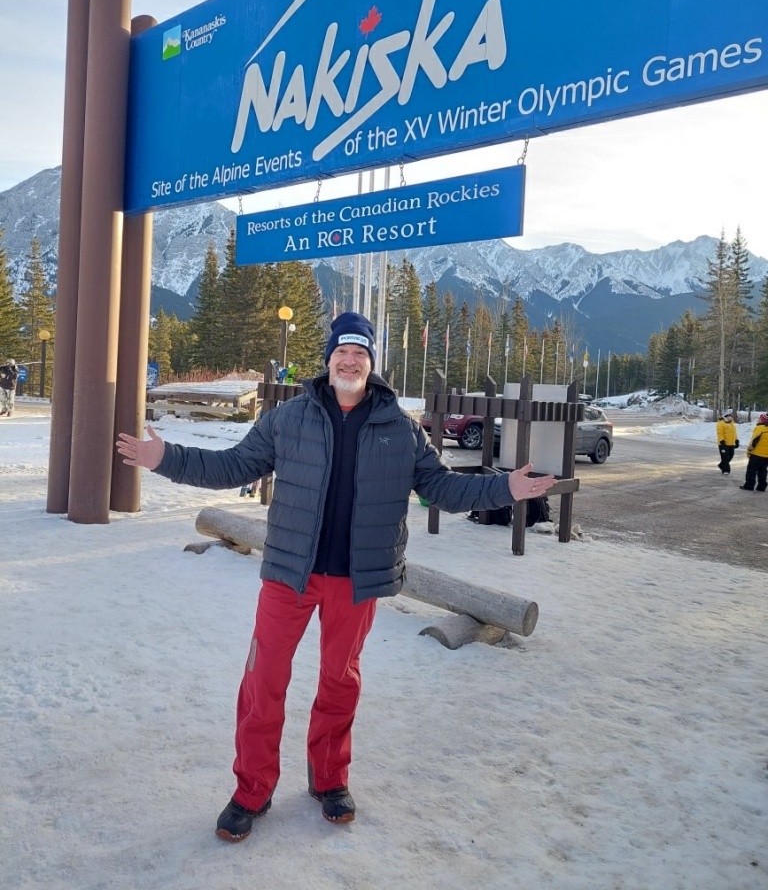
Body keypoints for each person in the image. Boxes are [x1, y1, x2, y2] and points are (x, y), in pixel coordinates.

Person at [116, 311, 556, 843]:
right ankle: (251, 789)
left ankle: (330, 780)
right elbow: (233, 468)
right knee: (263, 680)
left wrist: (503, 489)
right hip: (289, 574)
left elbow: (441, 488)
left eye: (360, 354)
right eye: (342, 352)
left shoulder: (400, 429)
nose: (350, 361)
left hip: (357, 579)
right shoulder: (289, 418)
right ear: (328, 360)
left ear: (372, 364)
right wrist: (166, 457)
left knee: (339, 680)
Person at [739, 413, 768, 492]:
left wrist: (749, 451)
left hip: (757, 454)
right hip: (766, 456)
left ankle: (749, 485)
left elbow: (754, 441)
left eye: (760, 418)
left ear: (763, 419)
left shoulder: (760, 428)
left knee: (751, 470)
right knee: (763, 470)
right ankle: (762, 486)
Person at [716, 407, 738, 474]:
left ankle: (721, 465)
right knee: (725, 457)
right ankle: (726, 470)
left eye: (730, 415)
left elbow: (734, 433)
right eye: (727, 416)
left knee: (731, 456)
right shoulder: (720, 424)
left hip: (731, 443)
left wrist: (736, 440)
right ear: (724, 417)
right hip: (723, 444)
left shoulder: (732, 423)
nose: (729, 417)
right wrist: (722, 442)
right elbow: (720, 433)